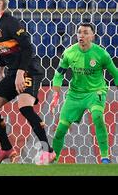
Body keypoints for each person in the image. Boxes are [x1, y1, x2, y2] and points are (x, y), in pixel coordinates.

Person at [0, 0, 55, 165]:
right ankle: (7, 149)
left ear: (0, 4)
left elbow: (27, 48)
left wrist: (21, 73)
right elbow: (4, 48)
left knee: (25, 108)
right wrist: (0, 71)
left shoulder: (11, 22)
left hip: (28, 69)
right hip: (12, 72)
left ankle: (48, 151)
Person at [50, 23, 118, 164]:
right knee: (61, 129)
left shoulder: (101, 54)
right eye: (79, 32)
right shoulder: (69, 53)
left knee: (98, 117)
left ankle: (105, 157)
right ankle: (54, 159)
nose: (81, 35)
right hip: (75, 94)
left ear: (93, 36)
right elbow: (58, 74)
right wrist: (56, 94)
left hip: (95, 91)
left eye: (86, 32)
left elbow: (115, 74)